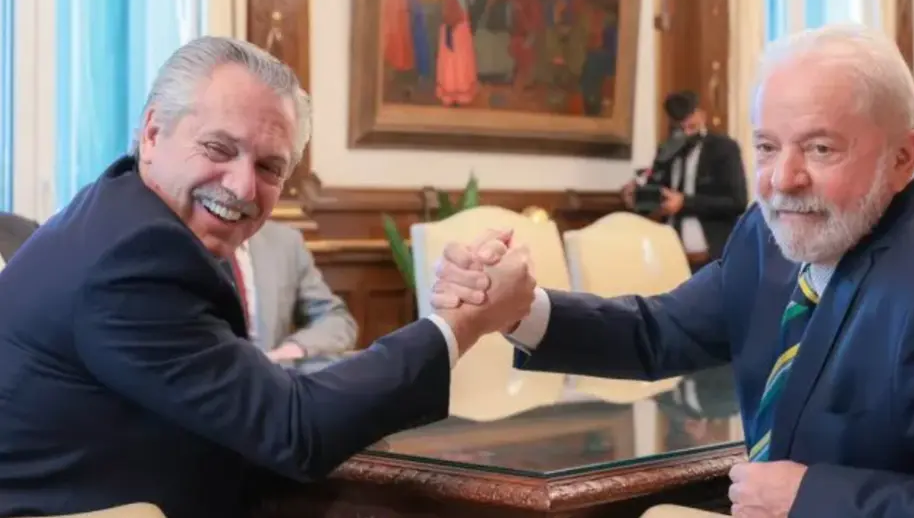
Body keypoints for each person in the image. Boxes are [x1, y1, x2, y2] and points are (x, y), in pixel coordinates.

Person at [432, 24, 914, 517]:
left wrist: (810, 500)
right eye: (767, 147)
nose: (783, 179)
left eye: (821, 149)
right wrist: (519, 310)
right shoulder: (769, 232)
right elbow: (659, 332)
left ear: (903, 156)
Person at [0, 37, 535, 518]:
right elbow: (295, 429)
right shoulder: (134, 256)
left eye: (269, 168)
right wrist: (460, 323)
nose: (242, 187)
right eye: (218, 148)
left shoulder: (126, 211)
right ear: (153, 132)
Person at [623, 90, 747, 271]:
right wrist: (637, 194)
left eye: (690, 120)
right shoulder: (667, 149)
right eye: (680, 124)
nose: (686, 128)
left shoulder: (723, 148)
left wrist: (685, 202)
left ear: (701, 114)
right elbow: (657, 192)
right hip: (671, 257)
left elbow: (737, 202)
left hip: (711, 258)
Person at [226, 219, 358, 366]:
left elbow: (336, 320)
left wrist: (294, 349)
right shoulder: (197, 250)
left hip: (272, 379)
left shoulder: (285, 241)